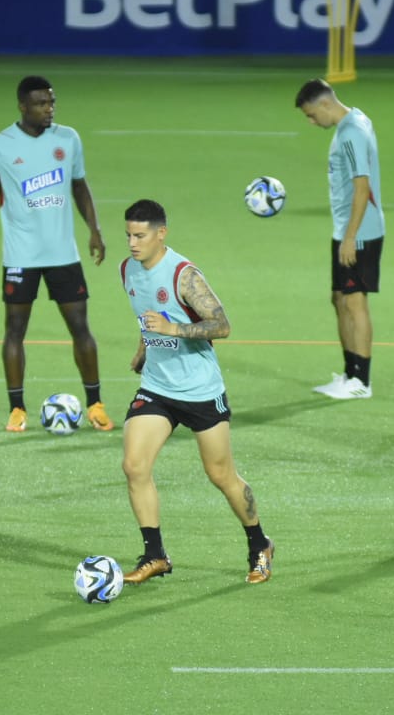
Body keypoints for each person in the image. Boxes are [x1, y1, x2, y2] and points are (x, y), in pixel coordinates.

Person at [117, 199, 274, 585]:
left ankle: (259, 544)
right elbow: (147, 315)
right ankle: (155, 555)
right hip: (157, 387)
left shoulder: (184, 276)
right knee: (135, 466)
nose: (133, 244)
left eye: (140, 236)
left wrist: (174, 331)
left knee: (221, 475)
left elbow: (221, 325)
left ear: (161, 234)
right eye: (128, 236)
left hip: (201, 390)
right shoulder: (128, 271)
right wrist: (144, 350)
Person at [0, 75, 113, 433]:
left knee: (80, 327)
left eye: (51, 103)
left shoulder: (68, 138)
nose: (48, 109)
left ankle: (95, 404)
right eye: (40, 104)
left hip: (64, 254)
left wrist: (94, 229)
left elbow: (80, 185)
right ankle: (17, 409)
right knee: (15, 329)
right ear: (22, 106)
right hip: (20, 257)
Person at [295, 78, 385, 400]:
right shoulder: (356, 119)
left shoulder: (351, 133)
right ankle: (349, 374)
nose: (310, 121)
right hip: (347, 230)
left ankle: (361, 381)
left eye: (310, 114)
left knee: (354, 301)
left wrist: (350, 238)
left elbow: (363, 188)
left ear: (324, 104)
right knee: (339, 298)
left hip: (358, 234)